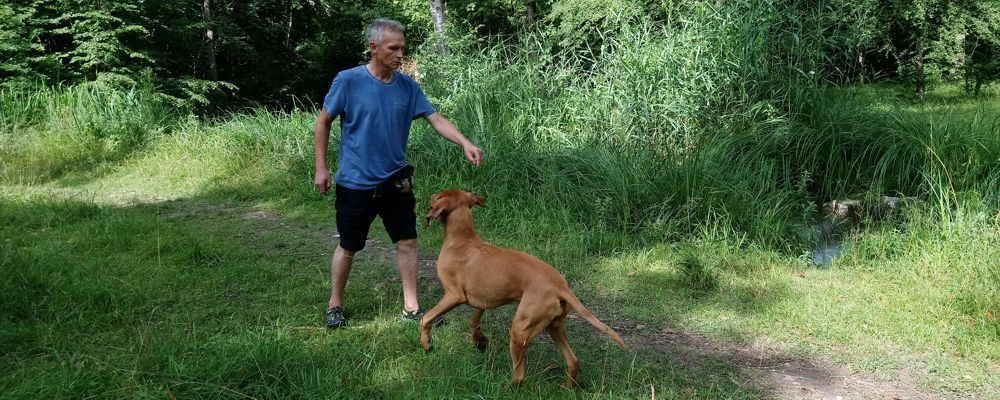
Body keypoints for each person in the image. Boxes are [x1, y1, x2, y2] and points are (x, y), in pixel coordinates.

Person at [314, 18, 483, 329]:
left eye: (402, 48)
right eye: (393, 48)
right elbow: (323, 122)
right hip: (355, 182)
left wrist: (464, 142)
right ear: (374, 48)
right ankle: (335, 303)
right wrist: (322, 167)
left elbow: (435, 119)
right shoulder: (348, 81)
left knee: (407, 241)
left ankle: (412, 308)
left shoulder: (408, 86)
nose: (400, 54)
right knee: (349, 245)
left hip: (396, 180)